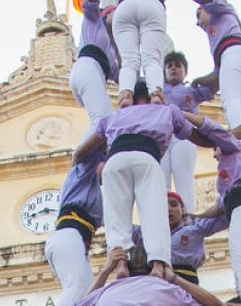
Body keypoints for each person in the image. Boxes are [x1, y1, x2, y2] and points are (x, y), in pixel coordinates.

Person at [72, 81, 194, 281]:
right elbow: (196, 135)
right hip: (146, 158)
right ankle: (157, 265)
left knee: (116, 217)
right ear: (149, 98)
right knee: (154, 213)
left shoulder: (114, 117)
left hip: (115, 161)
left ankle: (121, 263)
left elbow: (80, 153)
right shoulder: (164, 112)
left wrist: (95, 160)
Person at [85, 0, 211, 107]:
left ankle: (125, 94)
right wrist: (207, 0)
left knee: (129, 60)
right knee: (152, 58)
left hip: (124, 7)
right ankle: (156, 93)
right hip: (152, 4)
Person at [184, 114, 241, 306]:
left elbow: (212, 128)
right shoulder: (228, 176)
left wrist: (183, 114)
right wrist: (197, 216)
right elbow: (220, 206)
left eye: (215, 148)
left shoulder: (235, 148)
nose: (214, 154)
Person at [45, 144, 106, 306]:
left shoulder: (97, 196)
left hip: (74, 241)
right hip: (68, 235)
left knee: (88, 295)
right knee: (78, 288)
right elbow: (95, 138)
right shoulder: (84, 171)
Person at [191, 0, 241, 132]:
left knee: (230, 101)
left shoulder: (219, 9)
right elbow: (219, 74)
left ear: (207, 9)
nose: (197, 23)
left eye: (199, 15)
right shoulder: (218, 37)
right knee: (237, 112)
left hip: (234, 55)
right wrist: (200, 80)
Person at [78, 246, 228, 306]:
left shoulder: (107, 292)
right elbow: (216, 305)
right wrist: (174, 278)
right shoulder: (168, 290)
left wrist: (105, 271)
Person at [134, 191, 227, 286]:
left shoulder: (195, 227)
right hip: (157, 282)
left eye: (173, 204)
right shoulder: (146, 234)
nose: (168, 209)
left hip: (186, 282)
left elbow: (228, 211)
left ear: (182, 210)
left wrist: (202, 215)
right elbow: (121, 226)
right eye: (162, 206)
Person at [159, 52, 214, 209]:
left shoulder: (192, 91)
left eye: (178, 66)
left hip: (184, 138)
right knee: (160, 183)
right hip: (161, 138)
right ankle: (162, 217)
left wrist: (200, 81)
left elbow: (216, 83)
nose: (174, 69)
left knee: (184, 181)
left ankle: (187, 215)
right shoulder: (156, 88)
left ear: (185, 71)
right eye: (169, 66)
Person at [69, 0, 119, 125]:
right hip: (87, 68)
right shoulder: (94, 20)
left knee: (108, 122)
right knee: (102, 121)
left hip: (95, 77)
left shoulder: (113, 48)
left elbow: (121, 76)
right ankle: (82, 148)